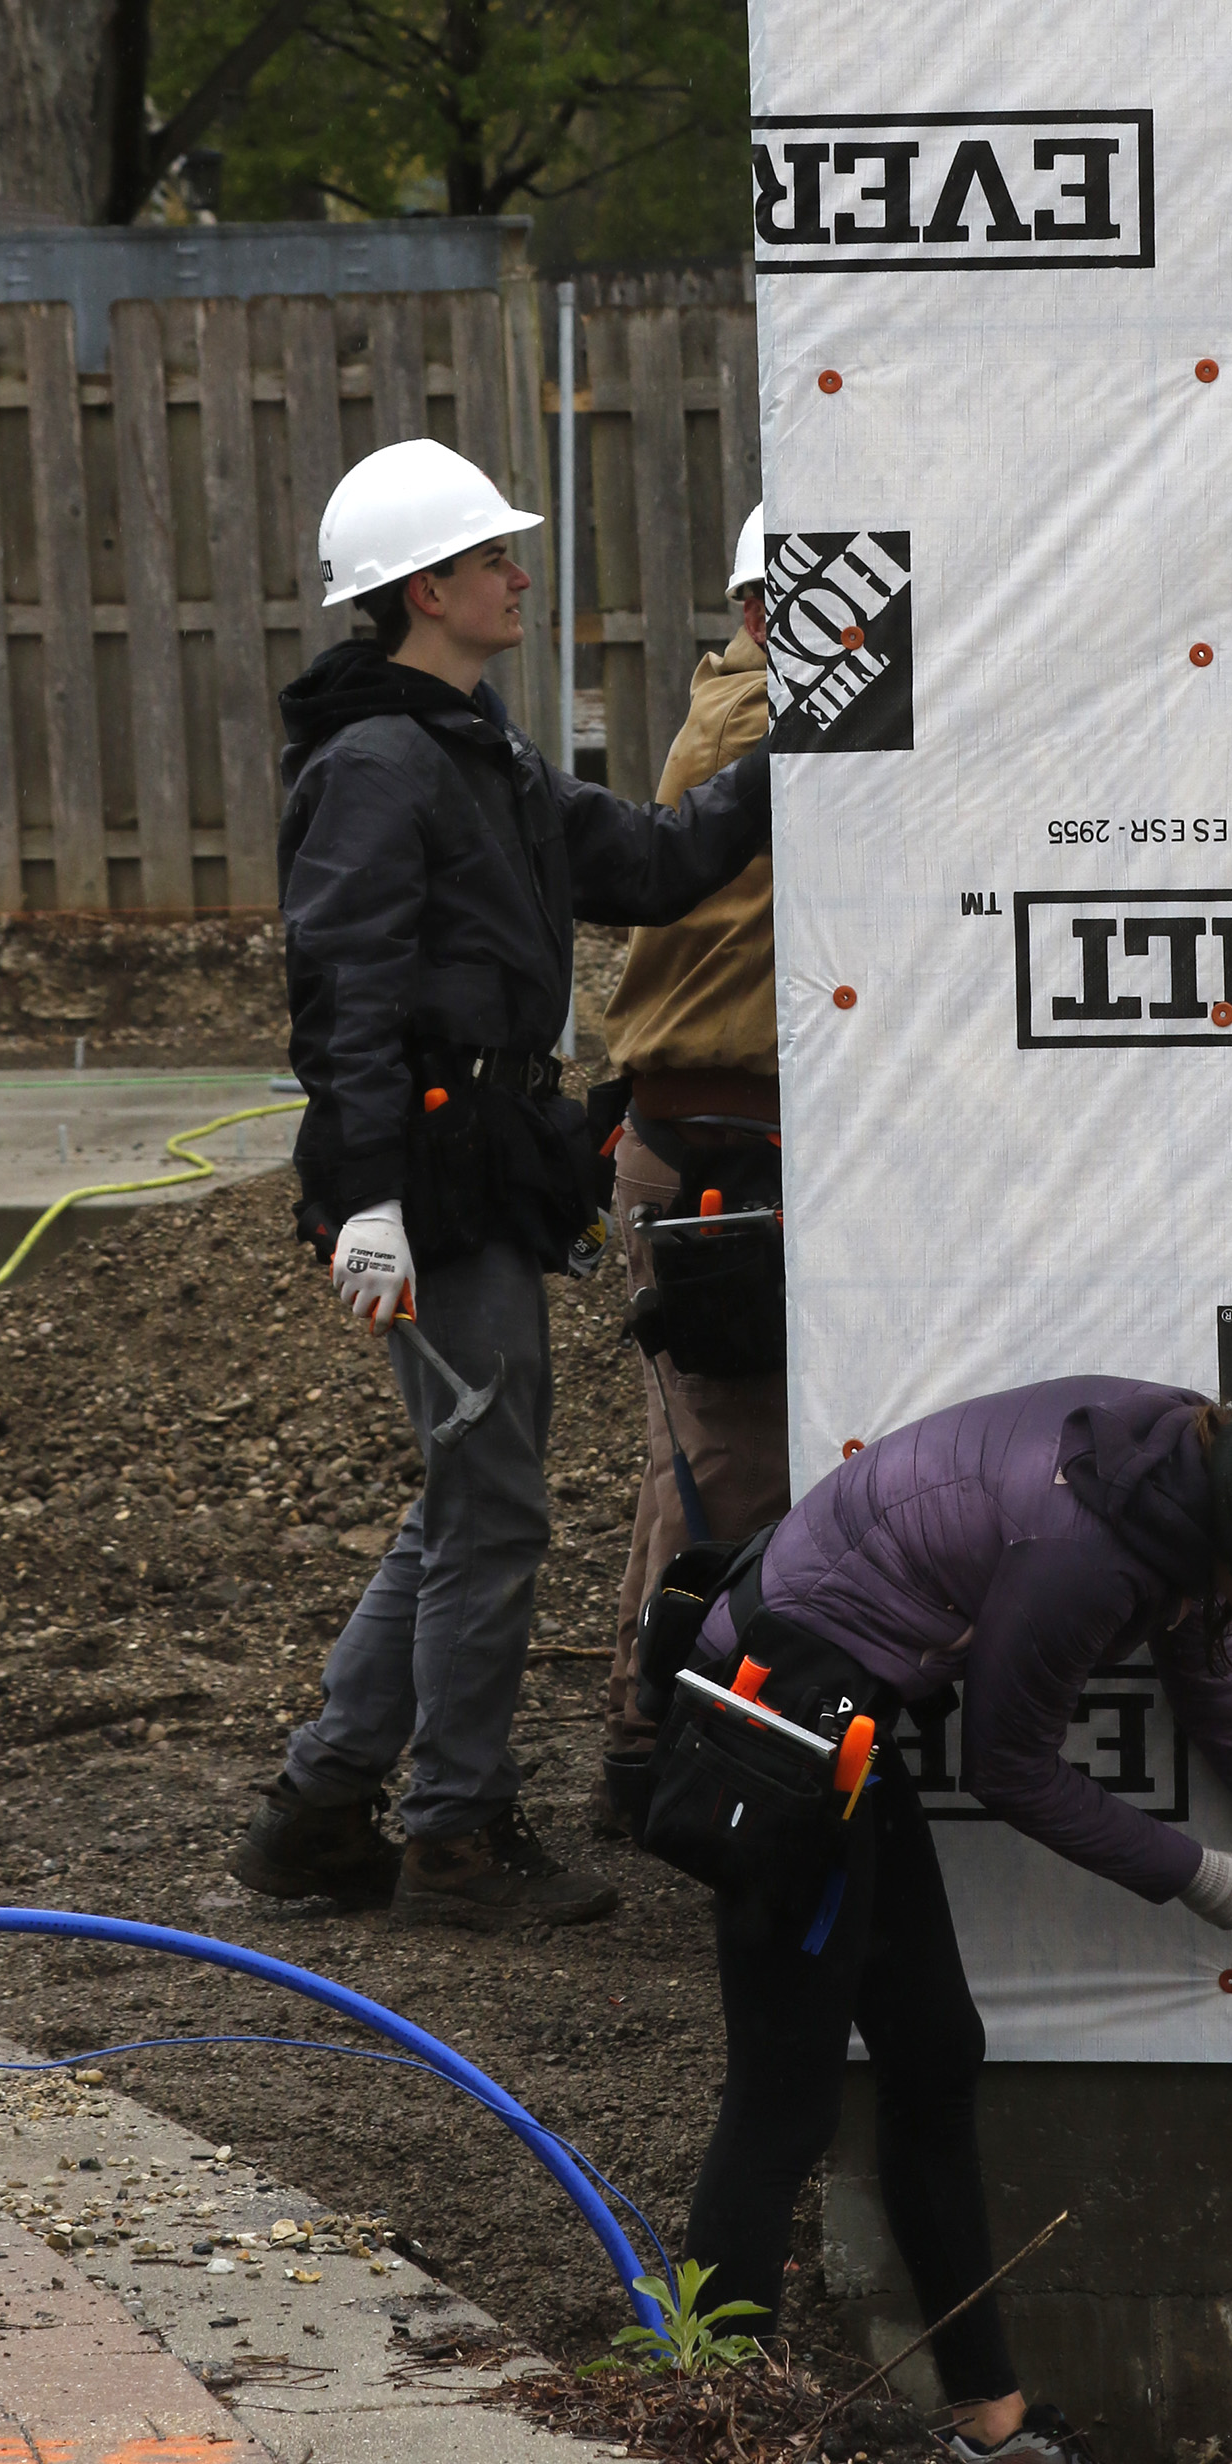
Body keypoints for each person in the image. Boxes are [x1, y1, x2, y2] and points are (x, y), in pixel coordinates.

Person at [645, 1371, 1232, 2464]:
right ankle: (718, 2433)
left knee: (934, 2055)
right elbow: (1011, 1769)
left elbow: (1215, 1680)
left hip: (850, 1724)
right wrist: (1195, 1871)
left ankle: (993, 2430)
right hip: (779, 1726)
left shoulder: (1187, 1467)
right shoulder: (1088, 1552)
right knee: (785, 2097)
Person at [229, 436, 772, 1934]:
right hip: (431, 1183)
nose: (519, 574)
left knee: (466, 1505)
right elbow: (338, 995)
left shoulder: (478, 749)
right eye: (491, 560)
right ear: (423, 590)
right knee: (493, 1514)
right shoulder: (378, 766)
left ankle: (322, 1804)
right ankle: (454, 1835)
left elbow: (660, 863)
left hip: (475, 1169)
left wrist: (799, 749)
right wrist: (362, 1201)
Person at [587, 505, 789, 1843]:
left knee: (699, 1466)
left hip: (714, 1140)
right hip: (714, 1148)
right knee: (728, 1472)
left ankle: (643, 1736)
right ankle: (654, 1750)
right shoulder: (764, 723)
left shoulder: (739, 702)